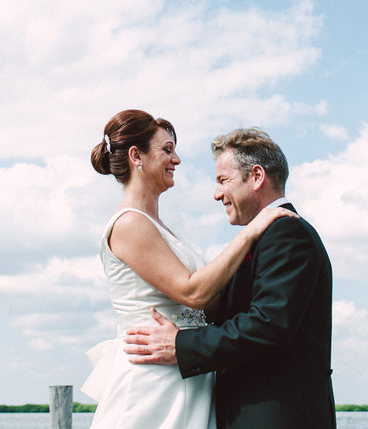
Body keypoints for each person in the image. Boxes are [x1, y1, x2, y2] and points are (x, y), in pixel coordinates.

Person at [83, 111, 295, 429]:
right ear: (136, 156)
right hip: (154, 382)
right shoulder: (129, 224)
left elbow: (211, 301)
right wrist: (251, 232)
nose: (177, 159)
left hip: (185, 374)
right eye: (167, 149)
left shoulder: (158, 227)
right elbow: (193, 292)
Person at [123, 128, 335, 429]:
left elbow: (268, 325)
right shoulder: (265, 237)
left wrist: (181, 345)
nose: (217, 194)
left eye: (223, 181)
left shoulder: (288, 233)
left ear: (257, 176)